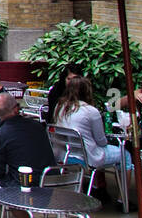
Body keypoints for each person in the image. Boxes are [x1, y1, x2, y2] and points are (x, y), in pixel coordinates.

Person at [54, 75, 127, 203]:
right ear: (87, 91)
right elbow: (101, 140)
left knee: (100, 150)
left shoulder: (60, 107)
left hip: (65, 155)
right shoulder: (90, 111)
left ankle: (95, 187)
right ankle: (123, 200)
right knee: (125, 154)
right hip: (86, 157)